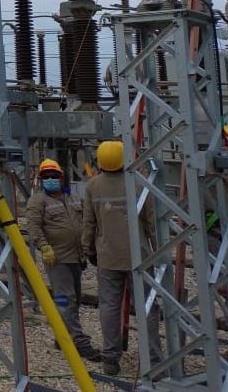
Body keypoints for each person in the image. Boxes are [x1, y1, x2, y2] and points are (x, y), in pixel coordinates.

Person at [82, 140, 162, 377]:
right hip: (140, 258)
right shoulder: (139, 183)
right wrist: (159, 252)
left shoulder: (93, 186)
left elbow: (88, 222)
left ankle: (110, 360)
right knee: (147, 308)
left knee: (109, 306)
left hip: (108, 257)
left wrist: (88, 250)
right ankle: (155, 360)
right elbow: (152, 223)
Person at [25, 158, 100, 361]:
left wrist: (88, 248)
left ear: (61, 177)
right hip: (57, 259)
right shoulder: (38, 201)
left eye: (54, 176)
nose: (50, 179)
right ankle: (79, 343)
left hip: (76, 257)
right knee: (66, 300)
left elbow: (85, 220)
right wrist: (44, 246)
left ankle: (62, 336)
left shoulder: (72, 198)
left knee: (73, 299)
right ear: (41, 180)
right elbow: (33, 225)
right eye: (46, 177)